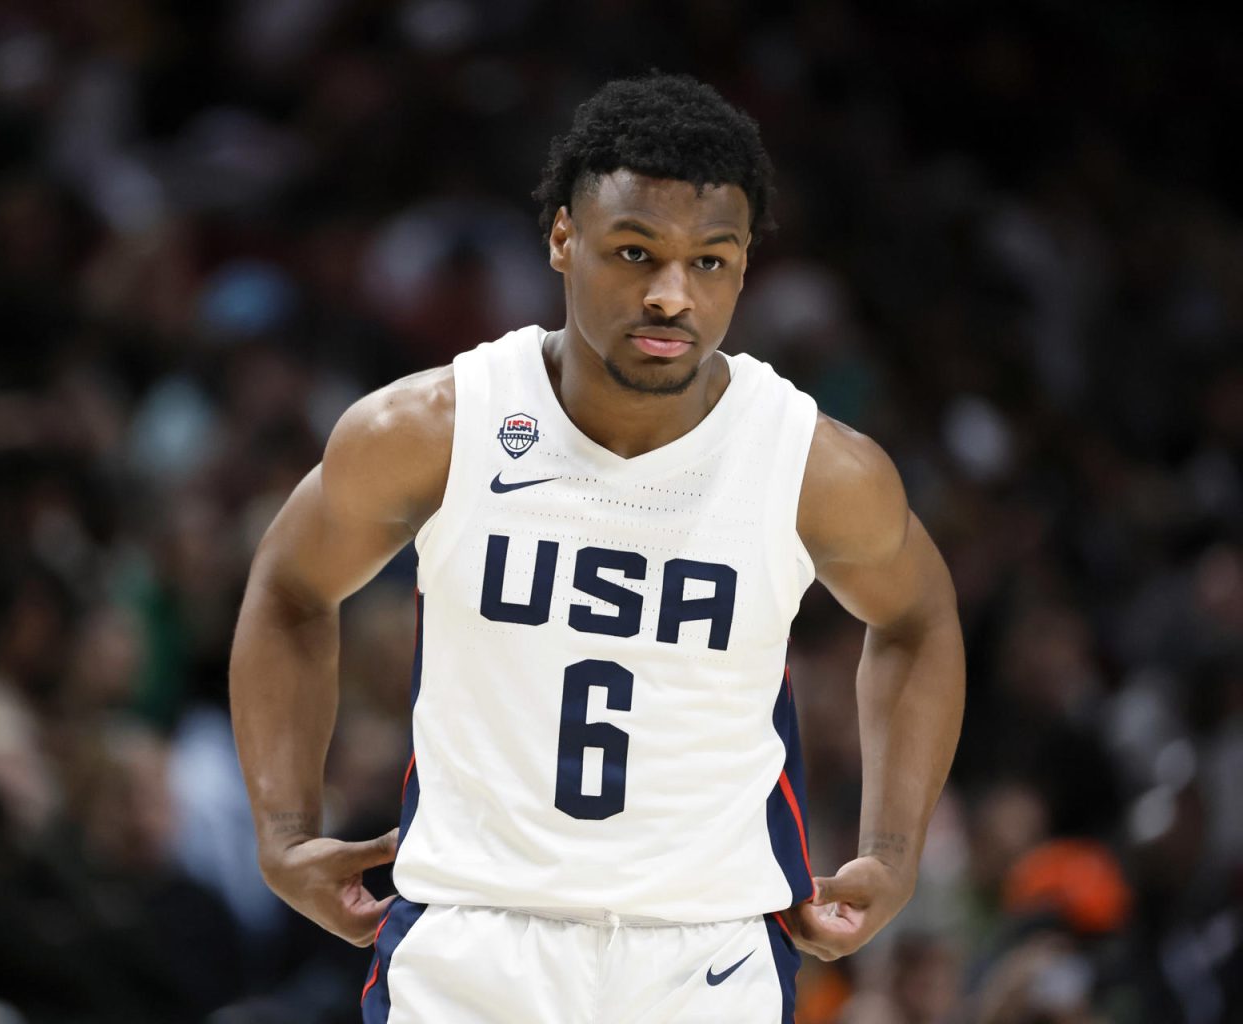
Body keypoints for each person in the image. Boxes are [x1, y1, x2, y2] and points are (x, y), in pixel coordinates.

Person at [231, 72, 966, 1023]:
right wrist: (285, 830)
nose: (671, 295)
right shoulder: (437, 426)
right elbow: (289, 585)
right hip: (473, 938)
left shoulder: (811, 464)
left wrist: (896, 851)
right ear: (562, 239)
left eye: (711, 262)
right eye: (635, 251)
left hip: (708, 953)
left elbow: (919, 614)